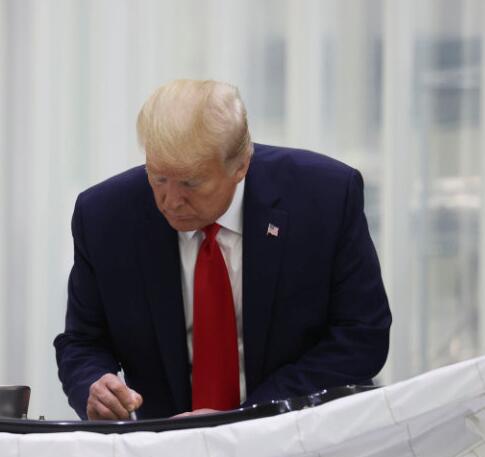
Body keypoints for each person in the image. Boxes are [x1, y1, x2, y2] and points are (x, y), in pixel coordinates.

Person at [54, 79, 392, 421]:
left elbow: (362, 335)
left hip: (300, 432)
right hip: (169, 441)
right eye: (158, 178)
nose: (171, 201)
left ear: (241, 164)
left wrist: (246, 421)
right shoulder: (105, 217)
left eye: (190, 182)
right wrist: (94, 386)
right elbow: (83, 341)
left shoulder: (324, 198)